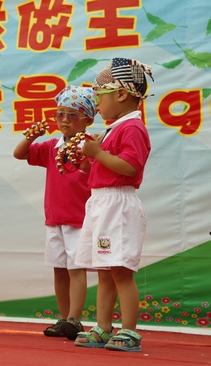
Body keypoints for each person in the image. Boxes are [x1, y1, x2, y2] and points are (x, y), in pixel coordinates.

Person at [73, 58, 154, 352]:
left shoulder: (132, 127)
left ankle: (129, 330)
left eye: (99, 95)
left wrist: (98, 152)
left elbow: (130, 167)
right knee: (104, 270)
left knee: (120, 269)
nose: (97, 104)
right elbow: (98, 170)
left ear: (120, 94)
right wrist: (89, 157)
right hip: (101, 202)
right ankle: (103, 327)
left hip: (118, 204)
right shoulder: (112, 129)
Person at [13, 86, 97, 340]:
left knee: (76, 268)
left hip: (78, 219)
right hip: (55, 218)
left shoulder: (91, 145)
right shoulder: (52, 146)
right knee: (59, 268)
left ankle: (75, 318)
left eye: (72, 115)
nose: (63, 120)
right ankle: (64, 319)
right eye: (59, 114)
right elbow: (19, 154)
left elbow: (96, 173)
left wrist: (86, 164)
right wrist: (31, 136)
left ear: (88, 120)